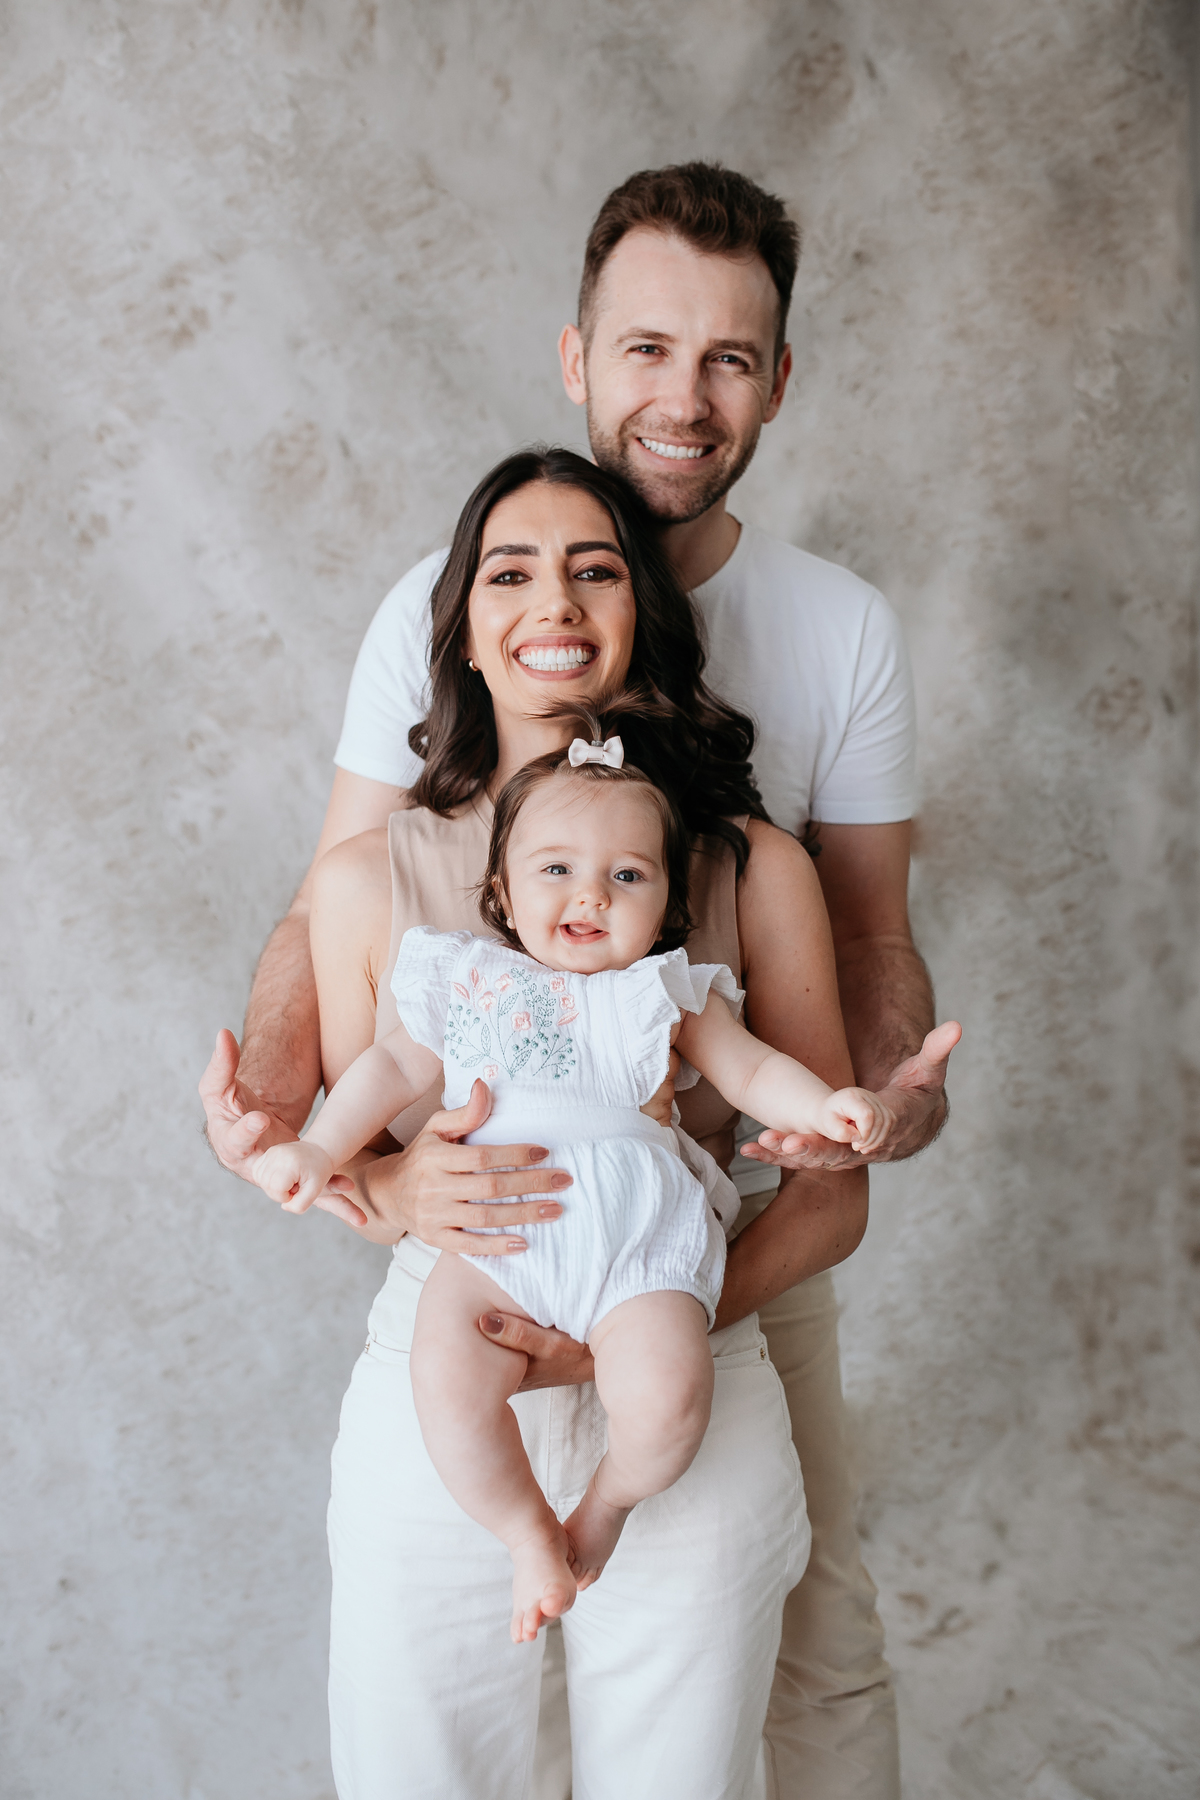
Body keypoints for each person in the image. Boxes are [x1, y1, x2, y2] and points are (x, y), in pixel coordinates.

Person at [201, 164, 961, 1798]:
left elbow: (864, 947)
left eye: (729, 357)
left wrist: (871, 1103)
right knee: (431, 1727)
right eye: (646, 349)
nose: (683, 395)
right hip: (469, 1297)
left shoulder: (793, 734)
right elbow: (328, 933)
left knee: (808, 1651)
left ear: (776, 379)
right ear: (579, 357)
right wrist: (310, 1136)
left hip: (704, 1260)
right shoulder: (420, 746)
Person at [250, 726, 895, 1646]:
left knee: (671, 1398)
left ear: (666, 908)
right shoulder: (470, 982)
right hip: (496, 1242)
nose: (591, 894)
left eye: (628, 876)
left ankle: (604, 1509)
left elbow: (753, 1070)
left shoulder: (664, 994)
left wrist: (828, 1106)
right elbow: (386, 1071)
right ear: (502, 893)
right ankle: (525, 1535)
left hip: (638, 1243)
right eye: (556, 869)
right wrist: (318, 1151)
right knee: (445, 1378)